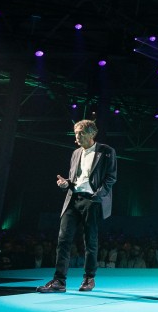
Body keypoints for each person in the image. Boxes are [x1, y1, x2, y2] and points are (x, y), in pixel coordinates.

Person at [39, 119, 115, 293]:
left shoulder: (106, 151)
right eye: (76, 133)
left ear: (92, 133)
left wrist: (98, 196)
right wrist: (66, 184)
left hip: (92, 200)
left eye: (81, 133)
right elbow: (75, 179)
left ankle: (89, 278)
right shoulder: (75, 153)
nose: (77, 136)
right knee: (63, 240)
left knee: (90, 241)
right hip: (73, 199)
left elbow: (111, 177)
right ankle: (59, 281)